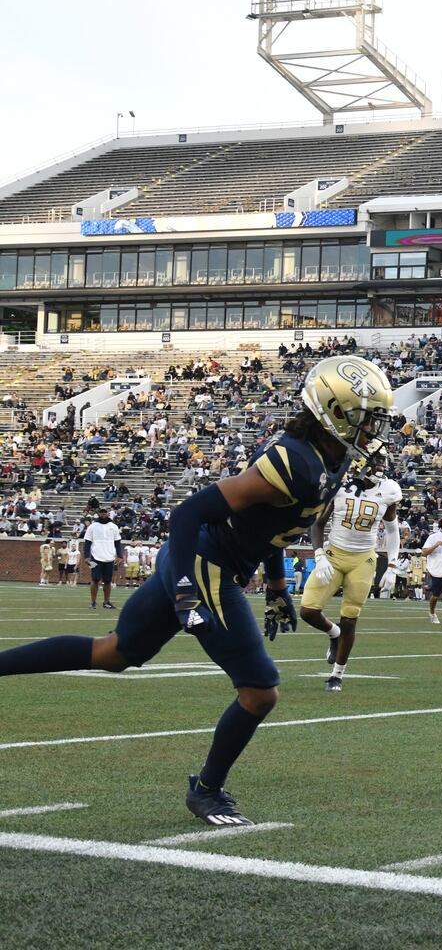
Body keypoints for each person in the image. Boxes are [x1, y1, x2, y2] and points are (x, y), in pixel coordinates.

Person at [0, 354, 392, 826]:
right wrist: (187, 589)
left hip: (207, 560)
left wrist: (273, 581)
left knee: (113, 653)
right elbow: (186, 514)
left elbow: (273, 525)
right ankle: (207, 790)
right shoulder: (293, 462)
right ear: (334, 412)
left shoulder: (327, 459)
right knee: (260, 691)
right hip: (204, 563)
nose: (374, 431)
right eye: (367, 419)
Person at [297, 449, 402, 691]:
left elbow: (392, 530)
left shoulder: (388, 490)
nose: (381, 466)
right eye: (376, 461)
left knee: (350, 619)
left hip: (363, 559)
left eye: (382, 461)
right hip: (334, 554)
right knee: (308, 611)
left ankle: (337, 675)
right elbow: (318, 523)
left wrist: (393, 564)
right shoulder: (339, 486)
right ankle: (333, 633)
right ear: (361, 462)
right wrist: (319, 555)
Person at [82, 506, 124, 610]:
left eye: (105, 512)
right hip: (96, 557)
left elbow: (117, 542)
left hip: (110, 557)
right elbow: (87, 542)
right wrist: (87, 556)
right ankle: (93, 602)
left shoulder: (113, 526)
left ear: (108, 514)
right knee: (95, 579)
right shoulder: (92, 526)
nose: (103, 514)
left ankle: (106, 602)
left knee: (108, 580)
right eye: (101, 512)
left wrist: (120, 556)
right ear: (98, 513)